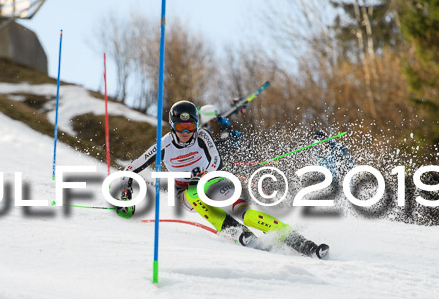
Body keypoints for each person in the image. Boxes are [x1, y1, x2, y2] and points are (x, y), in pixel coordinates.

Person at [114, 100, 329, 259]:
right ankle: (235, 232)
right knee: (194, 193)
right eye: (181, 128)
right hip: (185, 192)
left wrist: (207, 173)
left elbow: (217, 161)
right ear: (173, 127)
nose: (187, 132)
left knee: (242, 210)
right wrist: (126, 193)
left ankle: (302, 244)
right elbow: (133, 167)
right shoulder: (164, 144)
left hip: (212, 179)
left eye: (190, 127)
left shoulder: (203, 136)